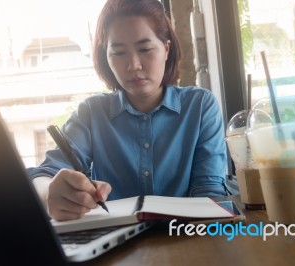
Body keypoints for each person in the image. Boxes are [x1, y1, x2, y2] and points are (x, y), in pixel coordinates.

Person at [28, 0, 228, 221]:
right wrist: (50, 194)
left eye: (145, 49)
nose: (133, 64)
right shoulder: (91, 114)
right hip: (114, 244)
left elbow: (209, 191)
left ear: (166, 49)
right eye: (119, 52)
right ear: (106, 56)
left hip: (183, 237)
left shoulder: (200, 106)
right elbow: (44, 175)